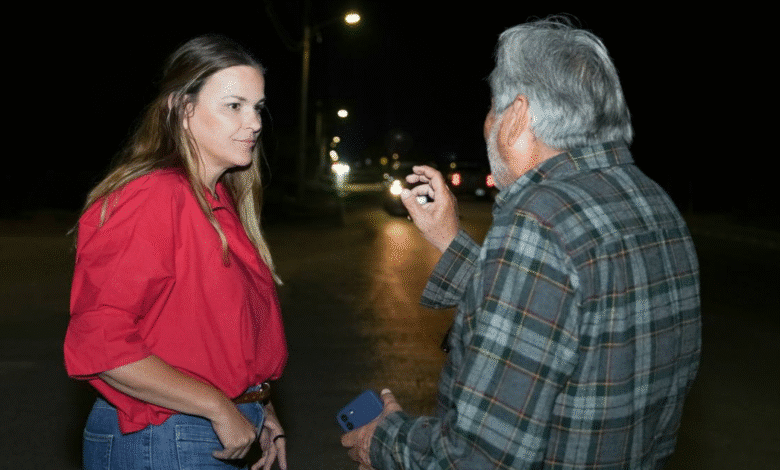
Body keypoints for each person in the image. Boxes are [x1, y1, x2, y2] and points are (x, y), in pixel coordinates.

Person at [341, 17, 702, 469]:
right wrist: (450, 239)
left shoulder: (539, 223)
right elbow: (562, 315)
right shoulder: (654, 204)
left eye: (493, 107)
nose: (487, 122)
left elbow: (480, 458)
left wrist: (385, 439)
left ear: (516, 117)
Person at [64, 34, 288, 470]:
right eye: (234, 105)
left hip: (206, 428)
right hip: (162, 435)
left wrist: (258, 406)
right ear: (183, 110)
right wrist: (220, 407)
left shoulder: (218, 203)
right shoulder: (154, 196)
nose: (255, 122)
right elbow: (99, 342)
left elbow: (220, 341)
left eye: (257, 107)